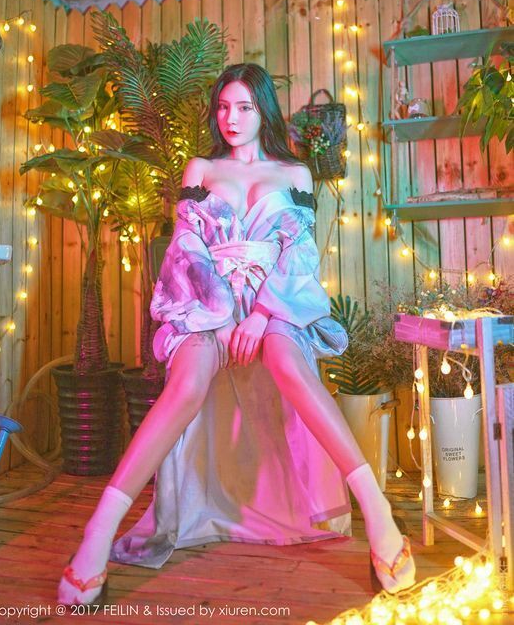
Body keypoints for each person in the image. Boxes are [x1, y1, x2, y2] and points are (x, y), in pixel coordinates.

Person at [58, 63, 415, 604]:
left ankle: (378, 512)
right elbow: (185, 247)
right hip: (207, 304)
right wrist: (222, 314)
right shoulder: (200, 168)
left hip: (274, 303)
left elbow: (299, 253)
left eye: (245, 107)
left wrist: (261, 315)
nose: (232, 118)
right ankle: (97, 534)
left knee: (288, 362)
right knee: (186, 385)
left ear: (263, 110)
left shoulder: (295, 174)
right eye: (224, 107)